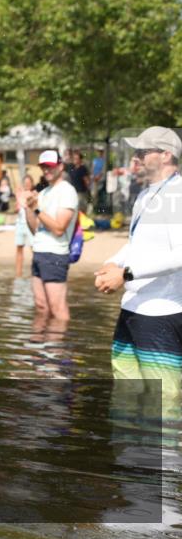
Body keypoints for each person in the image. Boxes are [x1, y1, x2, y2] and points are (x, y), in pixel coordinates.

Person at [94, 127, 182, 394]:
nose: (137, 158)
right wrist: (112, 262)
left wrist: (126, 274)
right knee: (127, 391)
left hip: (161, 312)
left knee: (163, 397)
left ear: (166, 155)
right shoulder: (146, 195)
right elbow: (136, 242)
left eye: (143, 152)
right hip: (132, 306)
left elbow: (179, 255)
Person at [19, 150, 79, 346]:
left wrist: (37, 209)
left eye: (50, 166)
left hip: (55, 255)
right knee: (41, 306)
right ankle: (39, 348)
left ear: (60, 166)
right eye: (44, 166)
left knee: (58, 309)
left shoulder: (67, 191)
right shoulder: (44, 193)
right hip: (39, 252)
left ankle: (57, 355)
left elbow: (59, 228)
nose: (47, 170)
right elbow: (35, 228)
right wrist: (29, 208)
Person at [14, 174, 35, 277]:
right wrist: (18, 197)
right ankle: (18, 274)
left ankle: (34, 273)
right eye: (25, 183)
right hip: (20, 223)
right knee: (19, 247)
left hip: (30, 224)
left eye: (29, 182)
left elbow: (29, 205)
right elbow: (17, 208)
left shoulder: (33, 194)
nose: (27, 184)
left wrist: (23, 196)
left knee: (33, 248)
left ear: (32, 184)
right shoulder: (20, 194)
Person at [68, 150, 91, 214]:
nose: (75, 160)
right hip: (72, 192)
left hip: (81, 192)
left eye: (76, 159)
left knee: (81, 210)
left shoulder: (83, 168)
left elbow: (87, 181)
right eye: (74, 158)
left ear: (80, 160)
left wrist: (87, 191)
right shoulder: (71, 167)